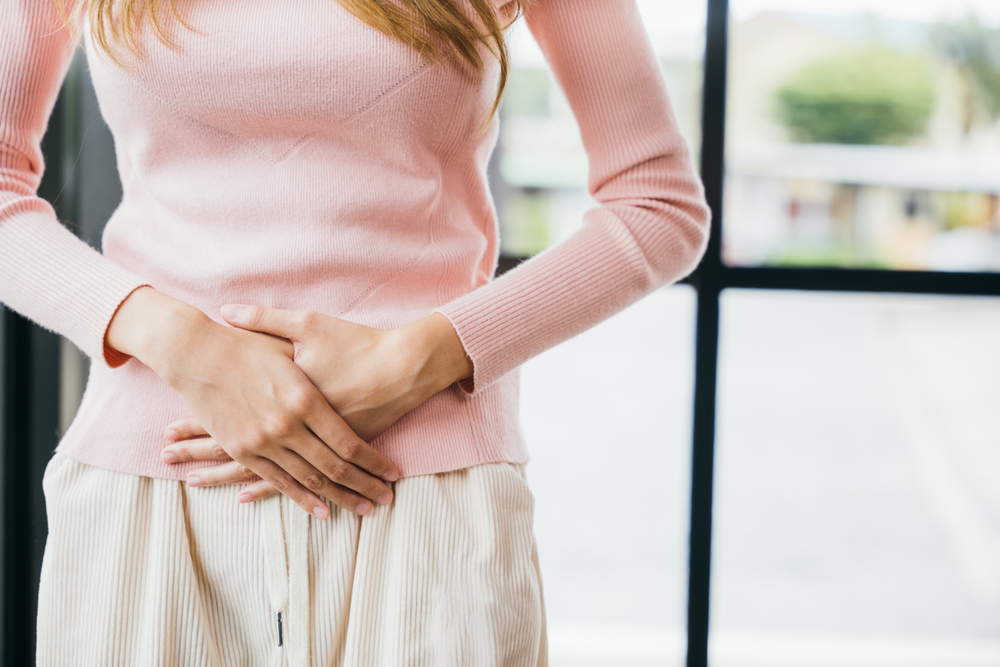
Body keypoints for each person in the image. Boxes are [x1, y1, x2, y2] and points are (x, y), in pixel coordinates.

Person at [1, 0, 710, 664]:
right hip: (150, 482)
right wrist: (183, 342)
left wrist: (419, 358)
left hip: (426, 489)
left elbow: (657, 204)